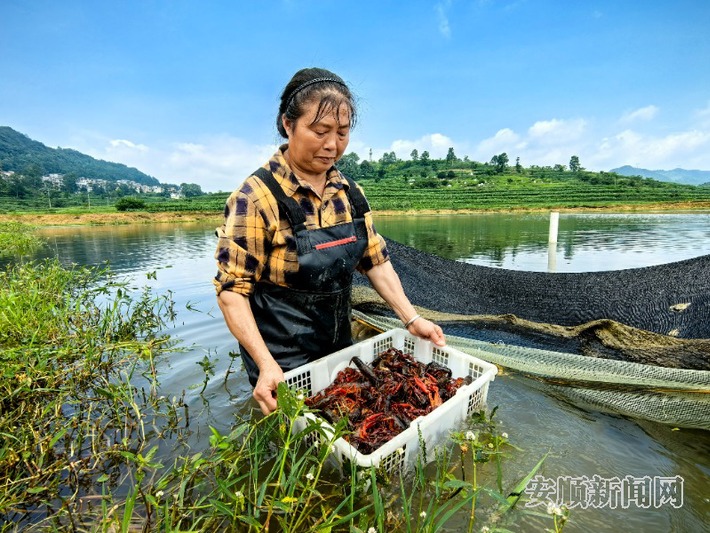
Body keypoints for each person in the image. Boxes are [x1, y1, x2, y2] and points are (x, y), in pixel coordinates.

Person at [214, 67, 445, 415]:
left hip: (339, 341)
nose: (332, 145)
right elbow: (232, 291)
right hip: (281, 355)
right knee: (292, 431)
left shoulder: (350, 193)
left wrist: (412, 319)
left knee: (351, 417)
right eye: (320, 131)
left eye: (342, 132)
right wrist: (265, 364)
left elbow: (376, 262)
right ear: (288, 125)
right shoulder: (256, 198)